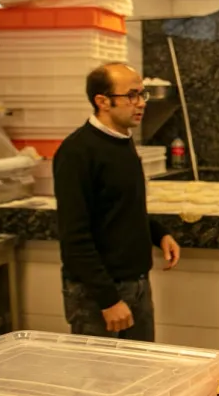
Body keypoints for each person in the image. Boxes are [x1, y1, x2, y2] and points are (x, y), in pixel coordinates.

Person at [54, 62, 181, 341]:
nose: (141, 103)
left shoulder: (123, 141)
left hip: (136, 285)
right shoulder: (77, 152)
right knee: (100, 370)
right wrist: (108, 300)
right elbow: (74, 238)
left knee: (143, 367)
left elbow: (120, 207)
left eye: (142, 94)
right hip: (97, 295)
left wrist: (158, 233)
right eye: (131, 95)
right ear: (102, 101)